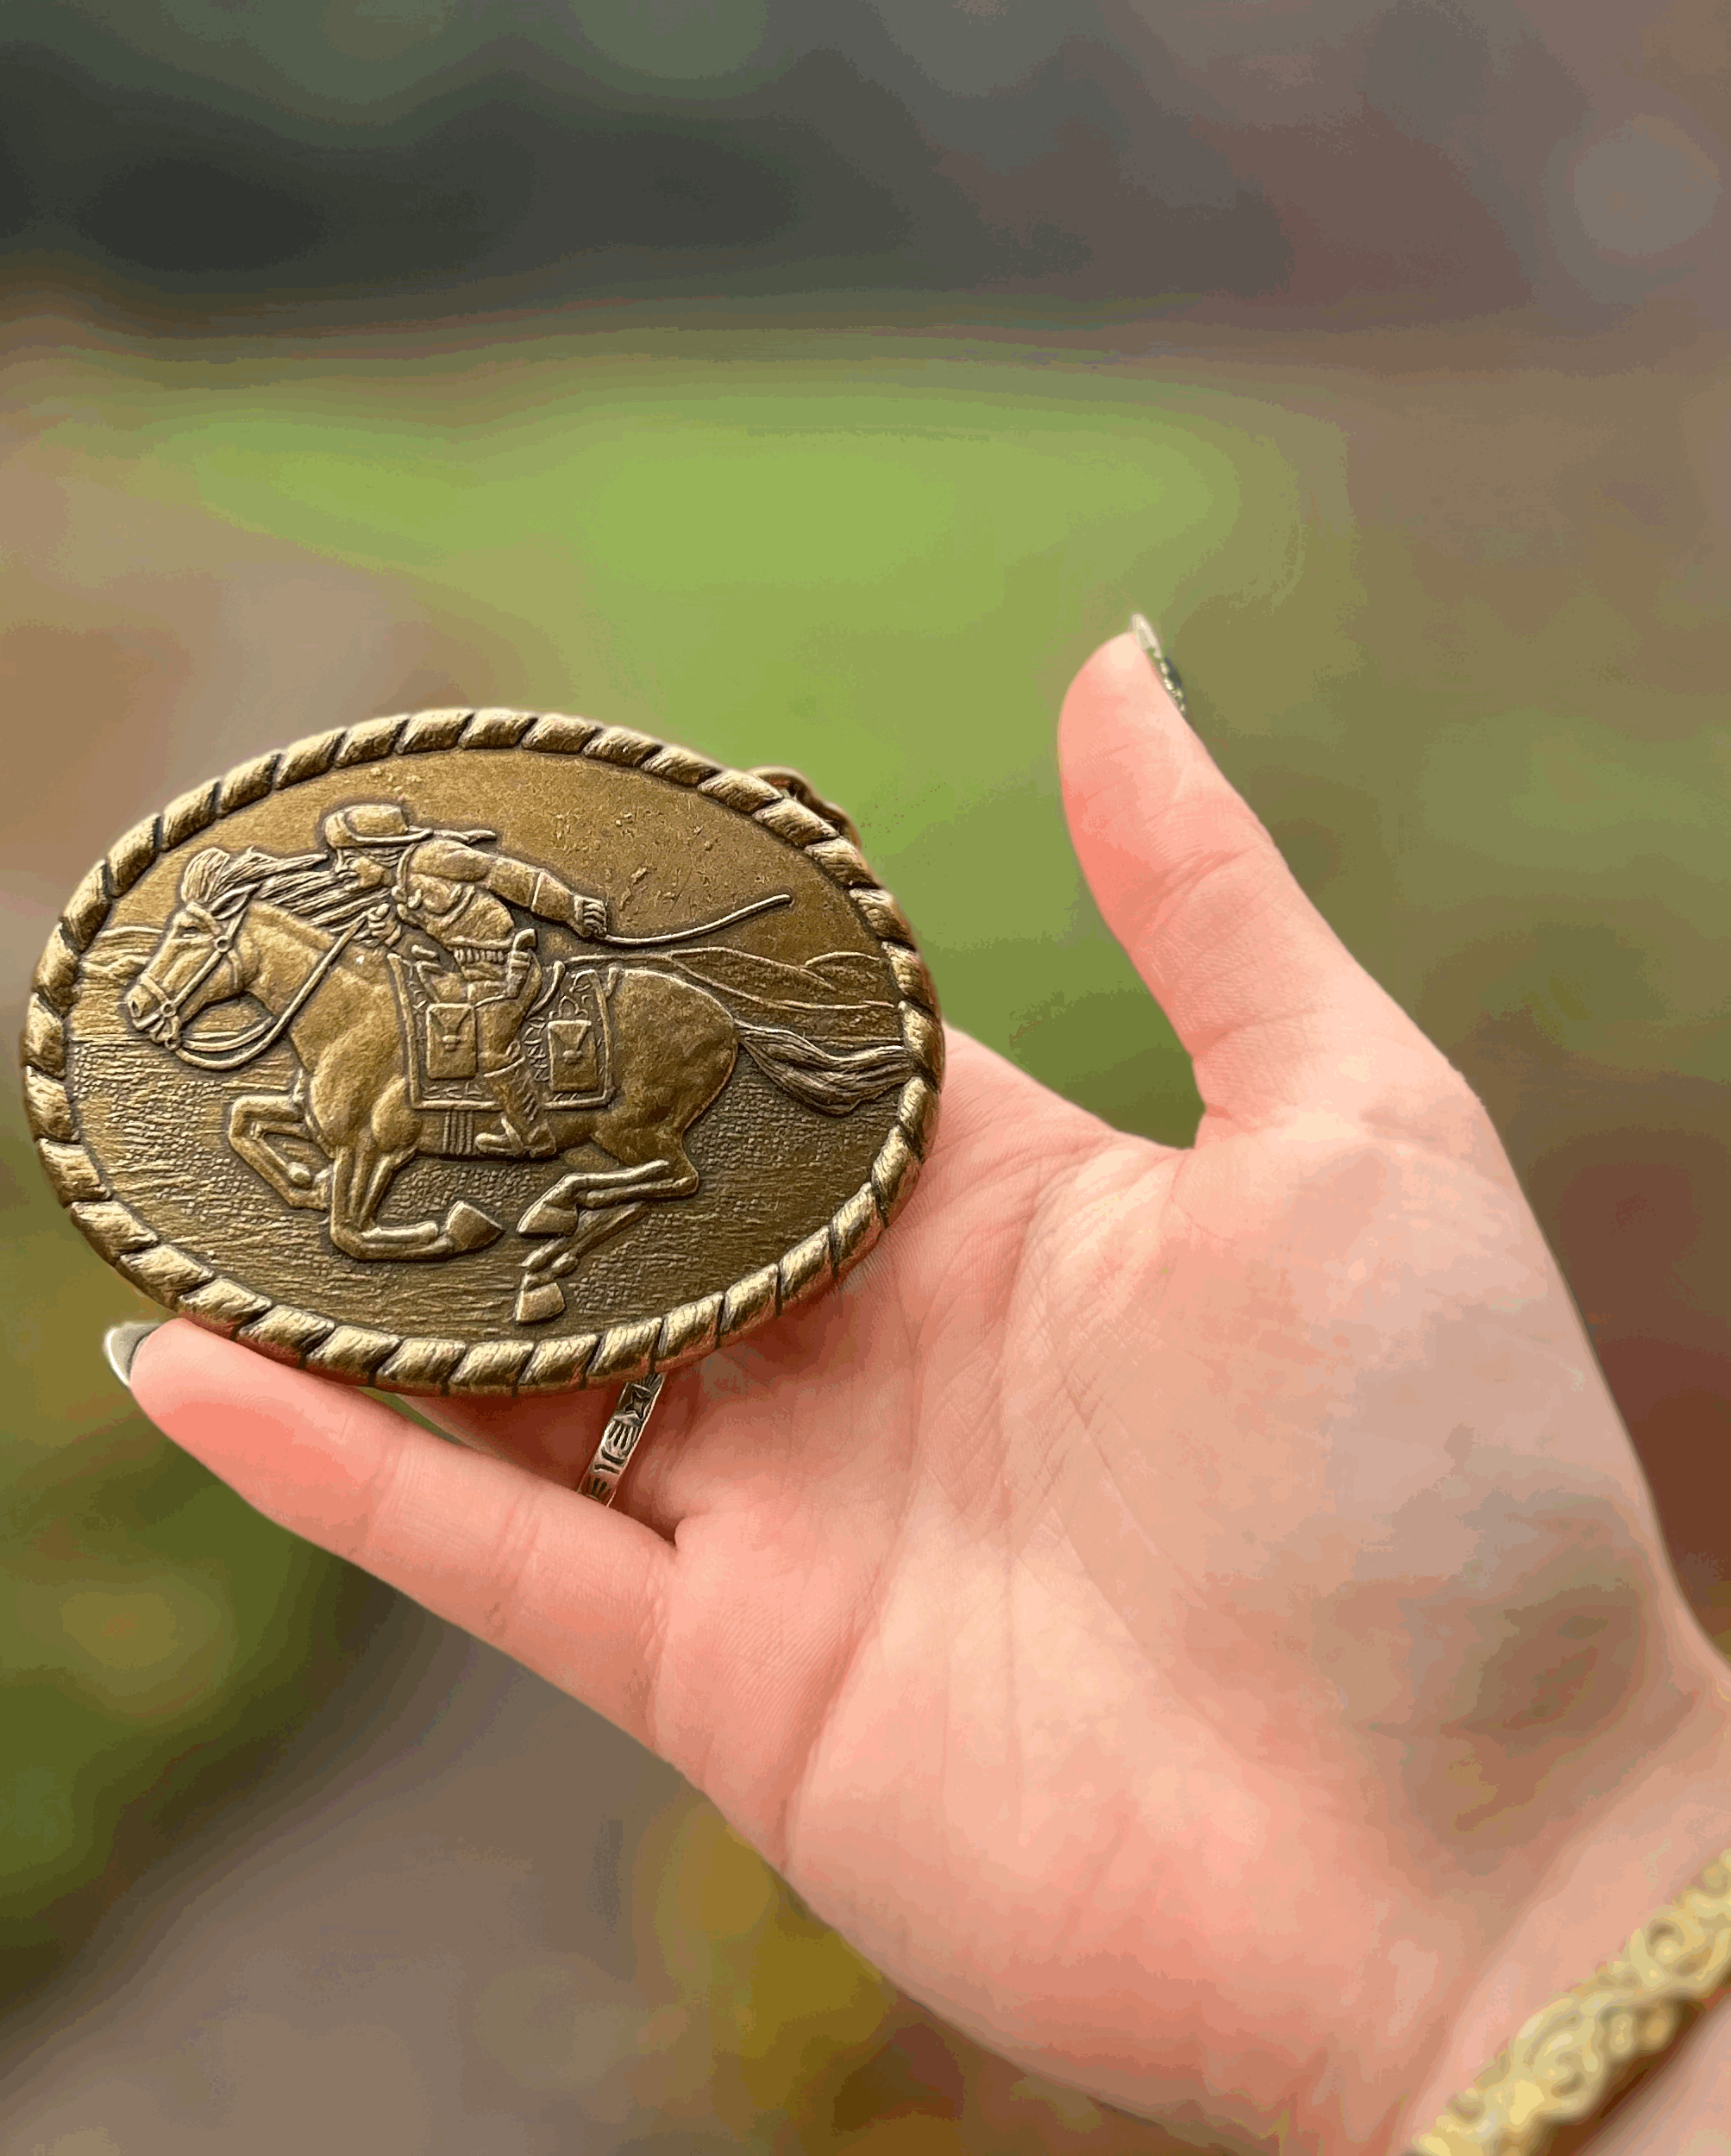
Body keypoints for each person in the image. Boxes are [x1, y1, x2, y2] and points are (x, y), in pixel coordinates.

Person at [122, 633, 1731, 2153]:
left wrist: (1564, 1845)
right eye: (386, 856)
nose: (392, 863)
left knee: (472, 1035)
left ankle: (524, 1185)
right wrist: (1542, 1909)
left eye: (399, 850)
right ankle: (466, 1193)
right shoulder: (370, 909)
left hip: (542, 1003)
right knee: (402, 1042)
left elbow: (551, 908)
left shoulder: (463, 880)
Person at [320, 800, 611, 1157]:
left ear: (379, 852)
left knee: (491, 1050)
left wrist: (571, 908)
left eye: (348, 858)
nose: (339, 869)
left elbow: (506, 874)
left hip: (506, 972)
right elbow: (435, 948)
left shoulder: (430, 859)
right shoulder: (400, 893)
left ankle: (534, 1136)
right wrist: (396, 936)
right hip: (468, 977)